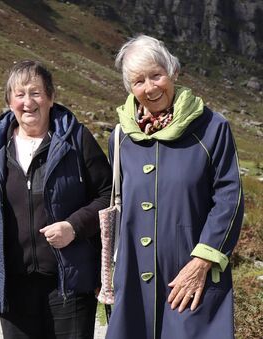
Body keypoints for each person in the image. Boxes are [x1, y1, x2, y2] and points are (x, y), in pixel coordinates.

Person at [105, 35, 244, 339]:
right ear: (130, 88)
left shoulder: (211, 127)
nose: (151, 87)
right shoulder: (120, 137)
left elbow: (229, 199)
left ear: (173, 72)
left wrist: (202, 263)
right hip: (132, 281)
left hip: (193, 277)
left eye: (157, 75)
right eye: (139, 81)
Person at [0, 60, 112, 339]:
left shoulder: (77, 140)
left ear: (50, 97)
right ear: (9, 102)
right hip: (14, 283)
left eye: (35, 93)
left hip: (69, 284)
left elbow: (108, 196)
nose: (28, 102)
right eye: (19, 94)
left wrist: (74, 227)